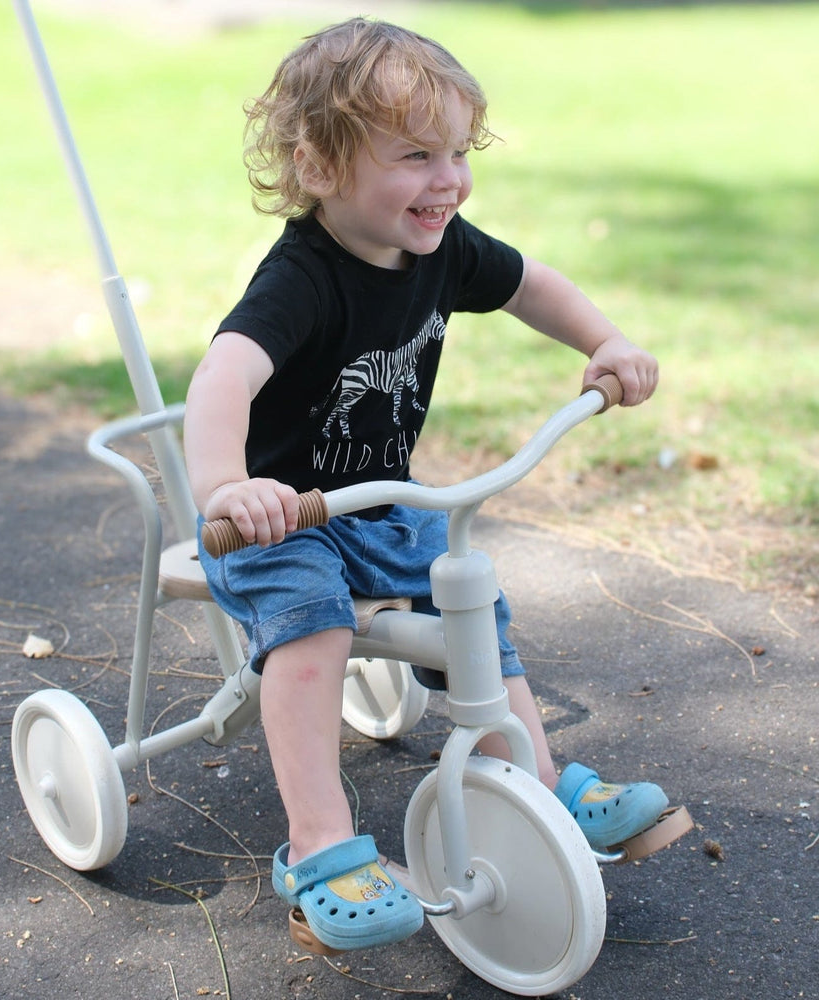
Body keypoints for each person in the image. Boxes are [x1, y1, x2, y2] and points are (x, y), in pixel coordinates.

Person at [183, 17, 667, 952]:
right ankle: (320, 845)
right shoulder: (301, 279)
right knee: (316, 627)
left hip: (379, 504)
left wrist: (604, 341)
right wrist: (226, 487)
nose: (448, 179)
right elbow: (223, 376)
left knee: (471, 606)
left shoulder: (440, 245)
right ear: (320, 166)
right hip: (281, 521)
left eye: (457, 151)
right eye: (415, 154)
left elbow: (532, 284)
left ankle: (531, 776)